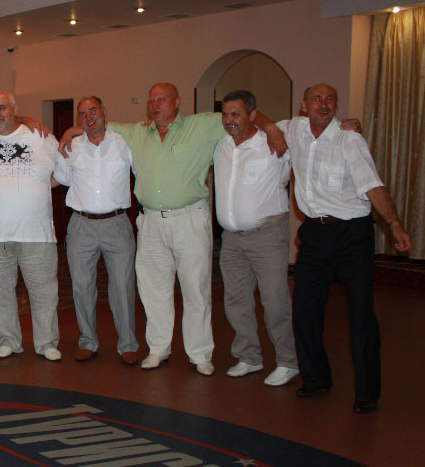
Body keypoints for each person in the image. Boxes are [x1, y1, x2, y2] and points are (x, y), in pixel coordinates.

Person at [61, 82, 286, 376]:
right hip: (151, 223)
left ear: (177, 102)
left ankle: (199, 353)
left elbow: (239, 116)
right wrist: (69, 131)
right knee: (153, 290)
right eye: (151, 101)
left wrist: (270, 126)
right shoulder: (136, 132)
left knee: (196, 289)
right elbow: (95, 124)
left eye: (162, 100)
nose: (155, 105)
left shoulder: (202, 126)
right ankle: (158, 348)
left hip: (189, 219)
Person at [278, 84, 411, 413]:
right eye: (317, 99)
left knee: (361, 313)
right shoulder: (294, 129)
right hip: (313, 234)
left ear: (336, 105)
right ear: (304, 105)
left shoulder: (350, 139)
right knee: (305, 310)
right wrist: (264, 127)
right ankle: (316, 379)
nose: (324, 104)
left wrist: (394, 223)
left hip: (352, 234)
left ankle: (367, 392)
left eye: (330, 99)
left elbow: (372, 185)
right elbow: (263, 122)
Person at [0, 91, 61, 361]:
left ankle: (46, 343)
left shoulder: (40, 137)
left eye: (2, 108)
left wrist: (36, 189)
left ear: (15, 109)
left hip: (37, 233)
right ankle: (8, 340)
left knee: (44, 292)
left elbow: (64, 172)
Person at [212, 90, 298, 386]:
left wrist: (271, 126)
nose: (229, 120)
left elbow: (312, 126)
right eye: (225, 114)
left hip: (267, 236)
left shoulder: (274, 141)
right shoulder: (220, 144)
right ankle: (249, 357)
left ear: (253, 115)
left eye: (236, 114)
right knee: (236, 302)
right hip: (231, 240)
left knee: (275, 302)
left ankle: (288, 361)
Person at [53, 97, 139, 365]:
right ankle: (88, 341)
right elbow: (61, 179)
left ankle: (128, 344)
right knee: (81, 287)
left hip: (117, 224)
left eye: (93, 111)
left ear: (104, 112)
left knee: (123, 287)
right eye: (82, 114)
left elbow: (142, 173)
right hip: (81, 225)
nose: (89, 117)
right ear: (78, 120)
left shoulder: (124, 143)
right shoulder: (72, 147)